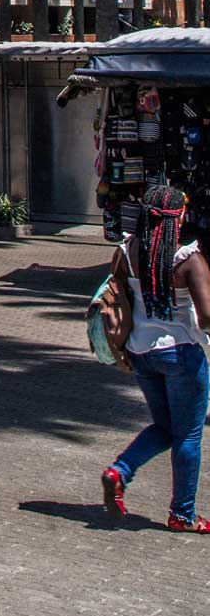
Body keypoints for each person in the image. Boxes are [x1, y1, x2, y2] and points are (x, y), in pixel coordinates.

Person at [102, 182, 210, 531]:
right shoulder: (189, 259)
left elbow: (118, 296)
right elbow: (206, 316)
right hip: (182, 355)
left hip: (141, 352)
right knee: (188, 435)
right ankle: (183, 515)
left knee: (165, 427)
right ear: (178, 216)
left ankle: (119, 471)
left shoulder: (127, 250)